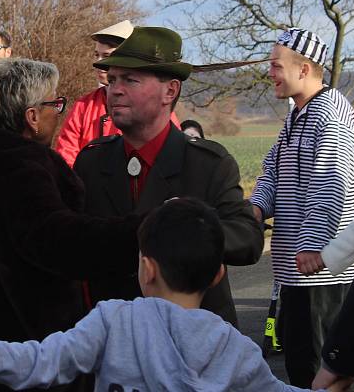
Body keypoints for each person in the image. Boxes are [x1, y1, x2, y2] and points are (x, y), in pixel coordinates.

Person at [0, 199, 323, 392]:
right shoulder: (235, 347)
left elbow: (34, 363)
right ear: (217, 275)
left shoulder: (114, 321)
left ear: (146, 267)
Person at [0, 58, 143, 392]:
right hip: (25, 349)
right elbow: (61, 243)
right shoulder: (20, 171)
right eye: (54, 103)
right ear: (31, 116)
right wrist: (145, 231)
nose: (59, 111)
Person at [74, 26, 263, 325]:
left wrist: (191, 230)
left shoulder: (207, 164)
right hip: (116, 342)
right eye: (112, 80)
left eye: (130, 79)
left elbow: (248, 239)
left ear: (170, 91)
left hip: (192, 345)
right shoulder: (92, 162)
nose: (115, 90)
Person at [250, 28, 354, 388]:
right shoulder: (298, 115)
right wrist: (255, 207)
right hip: (298, 272)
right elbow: (273, 171)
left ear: (303, 69)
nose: (270, 73)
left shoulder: (331, 115)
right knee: (301, 366)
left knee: (326, 374)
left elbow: (332, 185)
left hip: (323, 275)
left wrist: (313, 242)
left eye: (275, 65)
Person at [55, 20, 181, 167]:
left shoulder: (156, 109)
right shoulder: (83, 106)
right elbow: (65, 155)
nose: (100, 63)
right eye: (97, 55)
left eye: (107, 56)